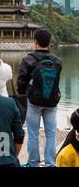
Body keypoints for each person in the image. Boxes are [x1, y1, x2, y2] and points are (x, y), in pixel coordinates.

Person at [17, 29, 62, 168]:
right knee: (50, 133)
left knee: (33, 134)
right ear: (49, 42)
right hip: (52, 101)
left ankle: (33, 163)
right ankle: (50, 164)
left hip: (34, 101)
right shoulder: (57, 61)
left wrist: (25, 95)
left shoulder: (28, 59)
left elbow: (21, 82)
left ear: (35, 42)